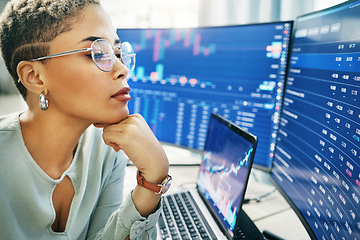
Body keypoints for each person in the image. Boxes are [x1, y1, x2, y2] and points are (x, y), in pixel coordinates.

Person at [0, 0, 171, 239]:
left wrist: (153, 181)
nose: (122, 69)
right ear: (35, 77)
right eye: (98, 54)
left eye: (118, 53)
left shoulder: (108, 151)